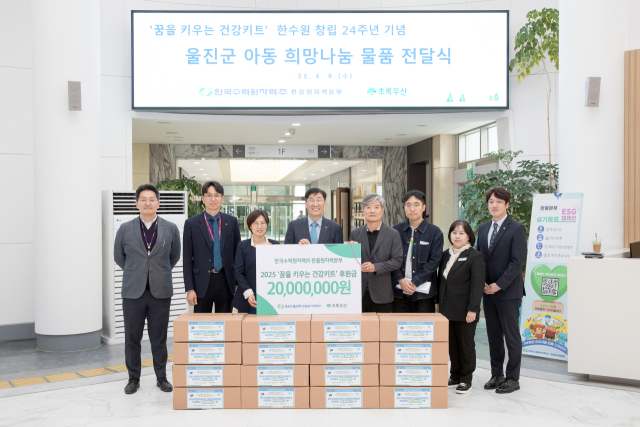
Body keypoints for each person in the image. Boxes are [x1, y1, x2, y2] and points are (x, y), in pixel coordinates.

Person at [113, 184, 181, 395]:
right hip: (133, 291)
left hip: (160, 291)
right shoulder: (125, 229)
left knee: (159, 338)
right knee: (132, 338)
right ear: (137, 204)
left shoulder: (171, 228)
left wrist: (156, 272)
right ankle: (133, 378)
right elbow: (119, 256)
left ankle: (161, 377)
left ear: (158, 203)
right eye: (143, 199)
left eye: (152, 199)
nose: (148, 203)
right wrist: (137, 271)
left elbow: (174, 256)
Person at [476, 186, 527, 394]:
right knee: (494, 336)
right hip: (488, 292)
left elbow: (517, 263)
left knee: (511, 337)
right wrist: (482, 283)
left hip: (508, 292)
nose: (494, 205)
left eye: (498, 202)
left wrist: (498, 285)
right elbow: (479, 259)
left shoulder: (516, 229)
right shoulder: (483, 229)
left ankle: (513, 378)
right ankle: (497, 375)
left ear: (507, 204)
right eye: (491, 202)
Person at [437, 220, 485, 394]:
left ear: (469, 236)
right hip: (446, 309)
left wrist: (473, 309)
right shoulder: (445, 255)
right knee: (452, 344)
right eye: (454, 232)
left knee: (466, 345)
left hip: (466, 311)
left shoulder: (475, 256)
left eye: (461, 233)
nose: (457, 236)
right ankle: (455, 375)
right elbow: (441, 282)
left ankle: (466, 379)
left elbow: (477, 285)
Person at [183, 181, 241, 313]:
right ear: (203, 198)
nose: (213, 199)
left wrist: (237, 283)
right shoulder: (191, 224)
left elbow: (237, 255)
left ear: (222, 198)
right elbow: (187, 259)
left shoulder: (232, 222)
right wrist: (190, 288)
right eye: (209, 195)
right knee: (202, 322)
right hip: (201, 282)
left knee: (226, 321)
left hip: (226, 280)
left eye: (217, 195)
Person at [348, 194, 403, 313]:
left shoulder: (393, 234)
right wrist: (349, 251)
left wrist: (375, 267)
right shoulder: (355, 234)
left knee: (382, 325)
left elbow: (397, 261)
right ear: (363, 210)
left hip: (382, 294)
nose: (372, 211)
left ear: (382, 210)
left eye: (376, 207)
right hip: (358, 294)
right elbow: (350, 262)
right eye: (368, 207)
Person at [392, 190, 444, 313]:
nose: (412, 209)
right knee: (399, 325)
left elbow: (434, 261)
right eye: (408, 205)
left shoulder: (435, 232)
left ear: (423, 207)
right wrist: (400, 279)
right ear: (404, 208)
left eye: (416, 204)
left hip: (424, 294)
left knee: (423, 325)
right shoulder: (395, 231)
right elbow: (391, 258)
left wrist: (415, 281)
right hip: (399, 292)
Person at [232, 210, 279, 314]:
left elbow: (279, 271)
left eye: (263, 223)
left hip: (269, 298)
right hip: (247, 298)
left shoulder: (275, 245)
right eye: (255, 223)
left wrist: (270, 254)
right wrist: (249, 293)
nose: (259, 226)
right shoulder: (242, 246)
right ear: (250, 226)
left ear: (267, 225)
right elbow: (238, 273)